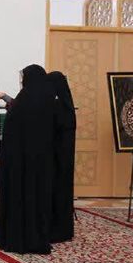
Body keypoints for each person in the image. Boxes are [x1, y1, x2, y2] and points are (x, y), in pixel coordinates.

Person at [0, 64, 56, 254]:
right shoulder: (46, 100)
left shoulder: (25, 101)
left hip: (19, 164)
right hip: (40, 164)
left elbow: (16, 120)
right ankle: (35, 237)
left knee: (20, 198)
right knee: (36, 200)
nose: (21, 82)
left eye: (22, 79)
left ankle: (17, 238)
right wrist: (5, 96)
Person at [47, 70, 77, 242]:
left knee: (56, 194)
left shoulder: (57, 106)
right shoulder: (67, 106)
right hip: (65, 159)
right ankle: (64, 230)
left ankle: (56, 230)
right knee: (63, 194)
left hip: (56, 159)